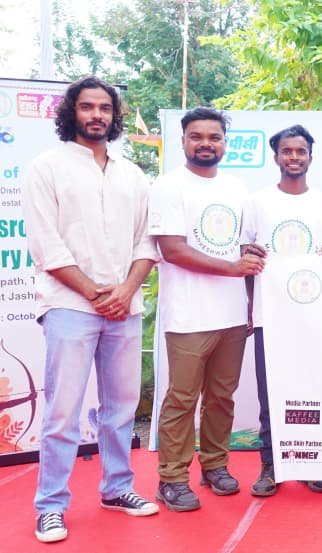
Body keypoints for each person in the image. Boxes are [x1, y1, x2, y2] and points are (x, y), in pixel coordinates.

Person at [23, 76, 160, 543]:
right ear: (71, 112)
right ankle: (50, 506)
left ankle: (117, 489)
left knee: (120, 408)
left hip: (125, 307)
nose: (97, 115)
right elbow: (47, 246)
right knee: (63, 413)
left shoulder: (132, 174)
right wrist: (97, 294)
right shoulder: (46, 167)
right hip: (69, 306)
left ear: (114, 116)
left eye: (105, 108)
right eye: (87, 107)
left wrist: (125, 291)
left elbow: (146, 242)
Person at [149, 107, 265, 512]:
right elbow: (173, 250)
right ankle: (171, 478)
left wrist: (250, 300)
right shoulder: (168, 186)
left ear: (224, 143)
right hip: (188, 315)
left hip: (232, 314)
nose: (205, 144)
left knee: (221, 397)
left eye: (214, 137)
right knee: (182, 399)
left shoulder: (237, 188)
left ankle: (215, 465)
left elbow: (244, 248)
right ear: (183, 141)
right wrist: (233, 268)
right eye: (196, 136)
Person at [238, 124, 322, 496]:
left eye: (301, 151)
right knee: (271, 394)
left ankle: (312, 464)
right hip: (270, 314)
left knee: (314, 390)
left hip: (314, 317)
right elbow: (245, 256)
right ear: (276, 156)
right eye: (287, 151)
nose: (294, 157)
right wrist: (250, 308)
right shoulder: (257, 202)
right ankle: (271, 467)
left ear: (310, 157)